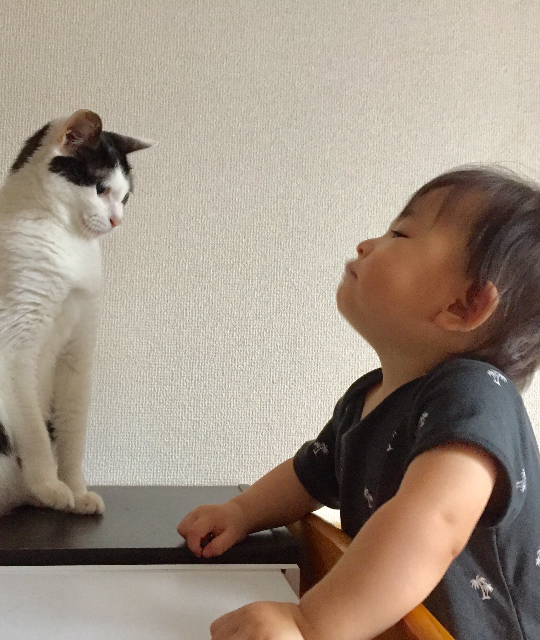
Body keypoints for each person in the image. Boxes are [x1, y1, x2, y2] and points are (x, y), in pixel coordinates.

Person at [177, 167, 540, 640]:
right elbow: (310, 475)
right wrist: (244, 512)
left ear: (464, 306)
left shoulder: (475, 396)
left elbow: (435, 521)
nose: (366, 244)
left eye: (400, 234)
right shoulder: (368, 396)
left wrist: (311, 623)